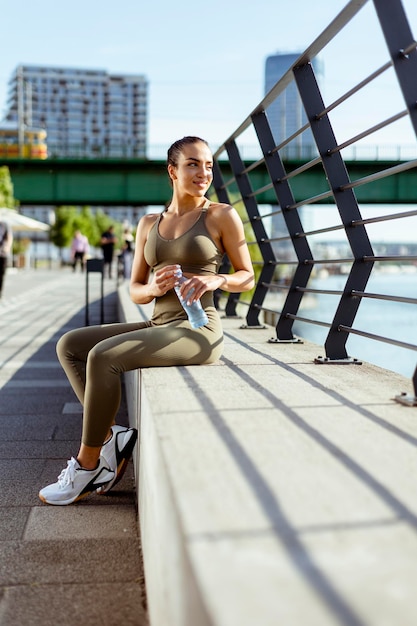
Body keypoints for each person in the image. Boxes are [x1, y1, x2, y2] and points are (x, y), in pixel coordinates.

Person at [39, 136, 255, 505]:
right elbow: (135, 289)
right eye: (192, 164)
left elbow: (247, 276)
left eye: (207, 165)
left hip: (197, 329)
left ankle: (89, 464)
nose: (203, 172)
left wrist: (216, 279)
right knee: (70, 345)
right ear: (172, 171)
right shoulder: (148, 223)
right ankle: (110, 438)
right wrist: (154, 287)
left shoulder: (220, 215)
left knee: (104, 357)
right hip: (159, 323)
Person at [0, 220, 13, 300]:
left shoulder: (4, 224)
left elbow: (9, 237)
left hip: (2, 254)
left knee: (1, 275)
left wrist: (7, 247)